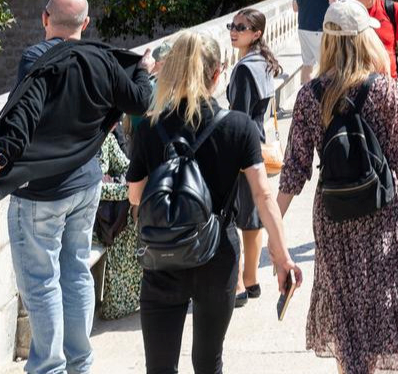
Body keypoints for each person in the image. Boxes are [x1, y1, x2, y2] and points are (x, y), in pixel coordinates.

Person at [0, 0, 154, 374]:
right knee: (75, 272)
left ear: (44, 19)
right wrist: (143, 70)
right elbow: (138, 101)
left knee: (41, 283)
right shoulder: (105, 61)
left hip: (43, 192)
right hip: (86, 185)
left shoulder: (38, 58)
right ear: (86, 24)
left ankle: (48, 368)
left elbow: (24, 113)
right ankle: (80, 364)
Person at [276, 0, 398, 374]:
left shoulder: (309, 95)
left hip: (333, 214)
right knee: (385, 299)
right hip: (379, 211)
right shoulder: (384, 91)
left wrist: (274, 225)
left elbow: (294, 168)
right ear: (366, 40)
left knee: (345, 306)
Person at [125, 32, 297, 374]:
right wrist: (281, 259)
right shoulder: (239, 126)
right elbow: (263, 197)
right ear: (219, 73)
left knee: (158, 367)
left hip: (162, 257)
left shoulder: (149, 125)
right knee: (208, 361)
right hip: (217, 255)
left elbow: (134, 195)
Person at [225, 8, 283, 308]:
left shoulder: (245, 68)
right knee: (251, 215)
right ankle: (251, 280)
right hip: (257, 144)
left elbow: (239, 115)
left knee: (231, 218)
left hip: (242, 148)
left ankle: (236, 285)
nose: (234, 31)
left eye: (241, 27)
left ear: (256, 33)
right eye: (231, 26)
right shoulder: (262, 62)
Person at [92, 124, 140, 321]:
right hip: (87, 216)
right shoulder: (86, 144)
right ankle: (117, 303)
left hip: (105, 212)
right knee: (127, 224)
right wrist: (128, 190)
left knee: (133, 220)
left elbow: (127, 167)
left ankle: (125, 299)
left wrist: (137, 178)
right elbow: (91, 188)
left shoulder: (108, 140)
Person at [294, 0, 336, 88]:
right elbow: (334, 2)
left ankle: (305, 96)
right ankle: (325, 96)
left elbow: (295, 8)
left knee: (307, 64)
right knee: (327, 64)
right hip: (320, 29)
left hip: (303, 28)